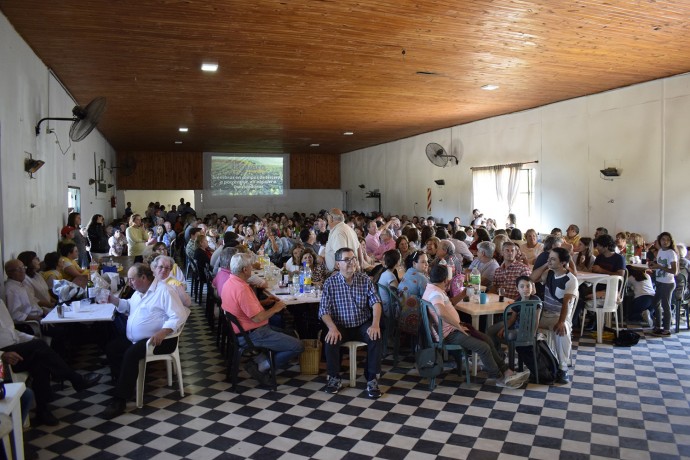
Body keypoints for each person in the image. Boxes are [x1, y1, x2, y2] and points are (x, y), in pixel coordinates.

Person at [100, 263, 189, 418]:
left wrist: (163, 331)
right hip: (138, 339)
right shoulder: (139, 291)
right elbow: (129, 306)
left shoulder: (164, 291)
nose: (129, 283)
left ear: (143, 277)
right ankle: (123, 383)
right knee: (112, 348)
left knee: (131, 354)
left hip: (160, 340)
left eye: (132, 279)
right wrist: (113, 300)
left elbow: (179, 315)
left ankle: (120, 400)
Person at [422, 264, 529, 388]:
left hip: (450, 330)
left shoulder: (431, 289)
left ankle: (506, 371)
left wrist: (463, 294)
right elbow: (441, 312)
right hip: (450, 333)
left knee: (487, 339)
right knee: (483, 347)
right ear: (446, 279)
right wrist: (458, 326)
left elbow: (448, 304)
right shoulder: (436, 294)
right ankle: (498, 378)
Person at [0, 299, 101, 426]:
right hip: (3, 357)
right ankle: (75, 379)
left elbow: (12, 332)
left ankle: (43, 411)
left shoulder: (1, 303)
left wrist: (32, 339)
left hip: (15, 347)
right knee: (40, 348)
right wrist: (3, 355)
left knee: (40, 362)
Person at [221, 253, 304, 385]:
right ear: (245, 270)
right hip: (252, 334)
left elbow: (244, 308)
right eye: (250, 266)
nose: (252, 269)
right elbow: (257, 318)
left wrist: (265, 302)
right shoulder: (241, 288)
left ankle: (259, 360)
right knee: (298, 346)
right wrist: (276, 308)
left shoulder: (230, 283)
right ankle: (261, 366)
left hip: (242, 331)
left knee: (290, 333)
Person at [319, 247, 383, 398]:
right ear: (337, 264)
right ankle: (334, 378)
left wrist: (375, 324)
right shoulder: (330, 283)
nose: (351, 262)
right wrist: (332, 328)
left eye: (353, 259)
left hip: (361, 324)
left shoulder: (364, 279)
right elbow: (323, 311)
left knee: (376, 336)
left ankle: (372, 378)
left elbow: (376, 303)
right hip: (341, 326)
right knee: (330, 339)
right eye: (346, 260)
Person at [530, 247, 578, 384]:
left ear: (563, 262)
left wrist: (562, 322)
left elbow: (566, 304)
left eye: (553, 259)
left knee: (562, 330)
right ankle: (538, 366)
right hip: (544, 314)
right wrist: (546, 265)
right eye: (549, 258)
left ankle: (563, 369)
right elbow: (532, 278)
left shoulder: (570, 279)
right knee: (525, 326)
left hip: (559, 315)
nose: (549, 261)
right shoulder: (548, 273)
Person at [486, 276, 540, 359]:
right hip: (516, 324)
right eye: (522, 287)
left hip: (526, 329)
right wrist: (504, 328)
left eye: (528, 286)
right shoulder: (517, 301)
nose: (525, 289)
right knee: (491, 330)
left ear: (532, 287)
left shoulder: (536, 300)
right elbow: (512, 319)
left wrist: (533, 334)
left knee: (503, 335)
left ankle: (501, 355)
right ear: (517, 289)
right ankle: (497, 355)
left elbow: (536, 320)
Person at [649, 232, 678, 337]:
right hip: (660, 281)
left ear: (670, 242)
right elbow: (659, 263)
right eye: (663, 239)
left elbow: (674, 271)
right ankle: (658, 326)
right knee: (655, 303)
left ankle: (666, 329)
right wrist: (653, 265)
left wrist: (659, 267)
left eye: (667, 240)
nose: (665, 242)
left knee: (666, 306)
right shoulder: (660, 251)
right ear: (659, 241)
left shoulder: (671, 253)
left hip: (668, 283)